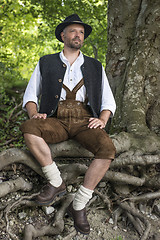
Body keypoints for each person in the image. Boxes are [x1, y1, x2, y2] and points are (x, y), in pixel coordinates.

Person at [20, 14, 116, 235]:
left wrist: (102, 119)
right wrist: (35, 114)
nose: (78, 35)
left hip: (85, 122)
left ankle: (79, 204)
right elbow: (30, 96)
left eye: (81, 32)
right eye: (73, 31)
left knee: (108, 149)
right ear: (63, 35)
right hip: (56, 120)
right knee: (29, 129)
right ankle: (56, 182)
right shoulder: (46, 62)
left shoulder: (94, 65)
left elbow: (108, 100)